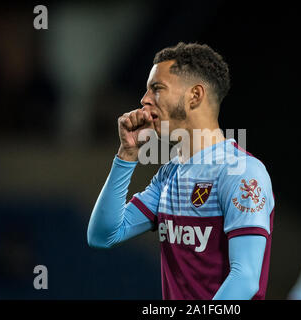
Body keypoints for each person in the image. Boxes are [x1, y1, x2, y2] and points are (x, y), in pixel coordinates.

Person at [87, 42, 275, 300]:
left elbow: (246, 279)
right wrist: (127, 155)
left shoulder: (241, 173)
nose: (144, 100)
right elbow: (102, 235)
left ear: (195, 96)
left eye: (157, 88)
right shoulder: (169, 175)